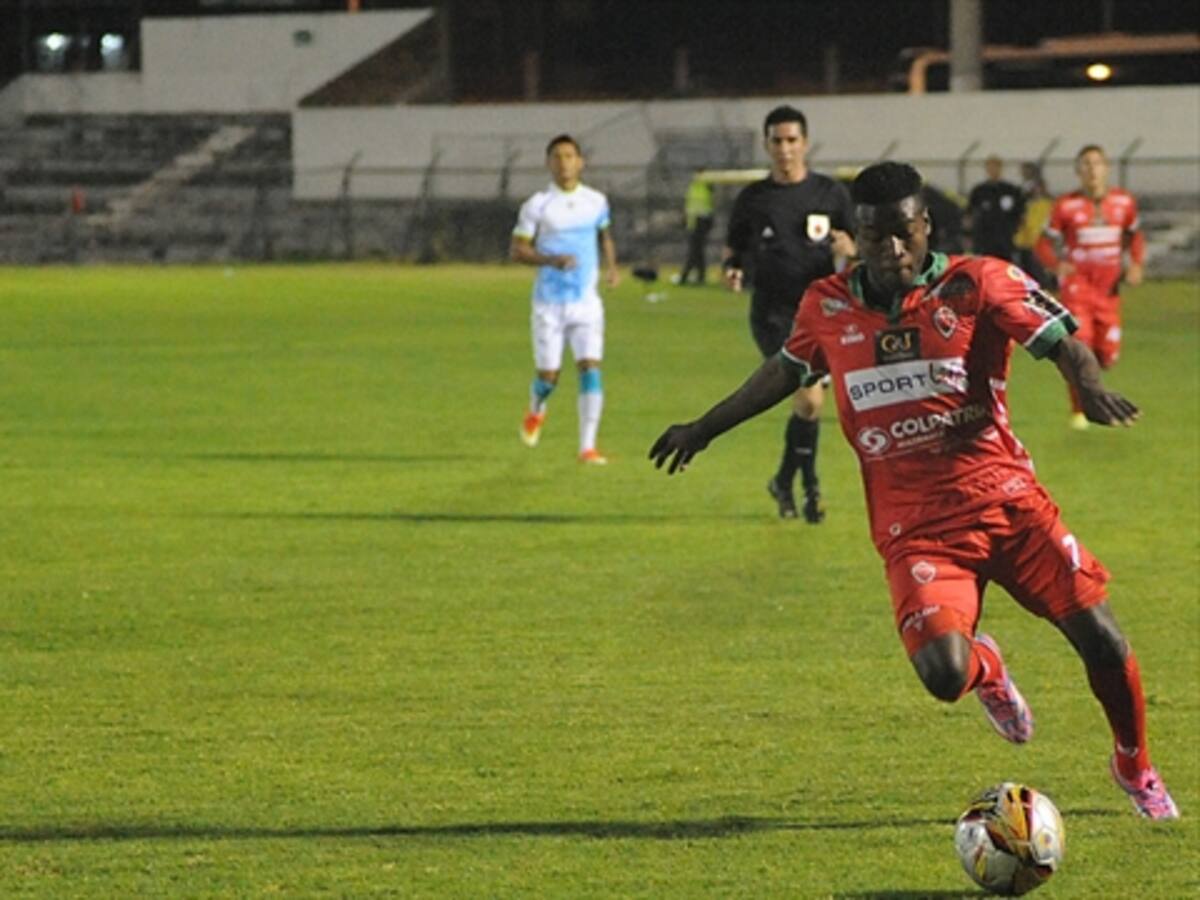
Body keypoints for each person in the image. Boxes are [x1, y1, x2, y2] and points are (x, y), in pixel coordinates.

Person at [649, 161, 1178, 821]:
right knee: (944, 676)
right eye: (875, 236)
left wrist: (1090, 386)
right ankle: (987, 668)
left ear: (926, 225)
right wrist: (702, 428)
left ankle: (1134, 763)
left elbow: (1063, 341)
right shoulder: (827, 305)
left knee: (1103, 640)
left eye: (905, 232)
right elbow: (782, 372)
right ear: (856, 233)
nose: (892, 249)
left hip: (1008, 505)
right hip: (917, 530)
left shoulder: (979, 282)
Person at [722, 105, 855, 522]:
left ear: (805, 143)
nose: (785, 149)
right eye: (777, 141)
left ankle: (783, 481)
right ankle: (811, 487)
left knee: (808, 407)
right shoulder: (753, 199)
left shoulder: (830, 194)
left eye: (792, 140)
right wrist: (733, 269)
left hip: (823, 313)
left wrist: (848, 249)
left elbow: (857, 244)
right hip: (772, 314)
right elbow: (733, 248)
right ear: (767, 145)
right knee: (809, 396)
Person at [511, 134, 620, 465]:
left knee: (590, 367)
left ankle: (587, 447)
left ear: (580, 162)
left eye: (569, 156)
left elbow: (604, 236)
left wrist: (612, 268)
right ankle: (536, 408)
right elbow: (518, 250)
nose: (564, 163)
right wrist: (550, 260)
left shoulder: (595, 201)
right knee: (549, 377)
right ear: (549, 163)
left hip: (586, 302)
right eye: (557, 157)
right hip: (549, 304)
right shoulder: (538, 205)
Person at [1035, 144, 1144, 430]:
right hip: (1077, 289)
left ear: (1106, 168)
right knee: (1079, 349)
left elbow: (1134, 236)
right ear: (1078, 171)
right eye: (1085, 164)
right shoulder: (1065, 205)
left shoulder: (1124, 202)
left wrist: (1135, 264)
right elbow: (1042, 243)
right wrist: (1057, 266)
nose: (1092, 169)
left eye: (1097, 163)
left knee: (1106, 357)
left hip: (1108, 291)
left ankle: (1091, 389)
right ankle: (1080, 411)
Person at [965, 155, 1024, 261]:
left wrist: (1014, 229)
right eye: (990, 167)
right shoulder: (979, 191)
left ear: (1001, 168)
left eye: (996, 167)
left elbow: (1019, 212)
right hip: (984, 240)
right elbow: (970, 213)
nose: (993, 170)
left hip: (1005, 239)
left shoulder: (1011, 190)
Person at [1013, 162, 1054, 288]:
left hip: (1039, 244)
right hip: (1027, 244)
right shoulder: (1026, 203)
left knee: (1040, 275)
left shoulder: (1047, 204)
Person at [676, 175, 715, 285]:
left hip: (700, 222)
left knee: (694, 251)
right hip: (695, 223)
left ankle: (685, 276)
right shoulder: (697, 187)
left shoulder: (701, 187)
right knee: (698, 251)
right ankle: (700, 276)